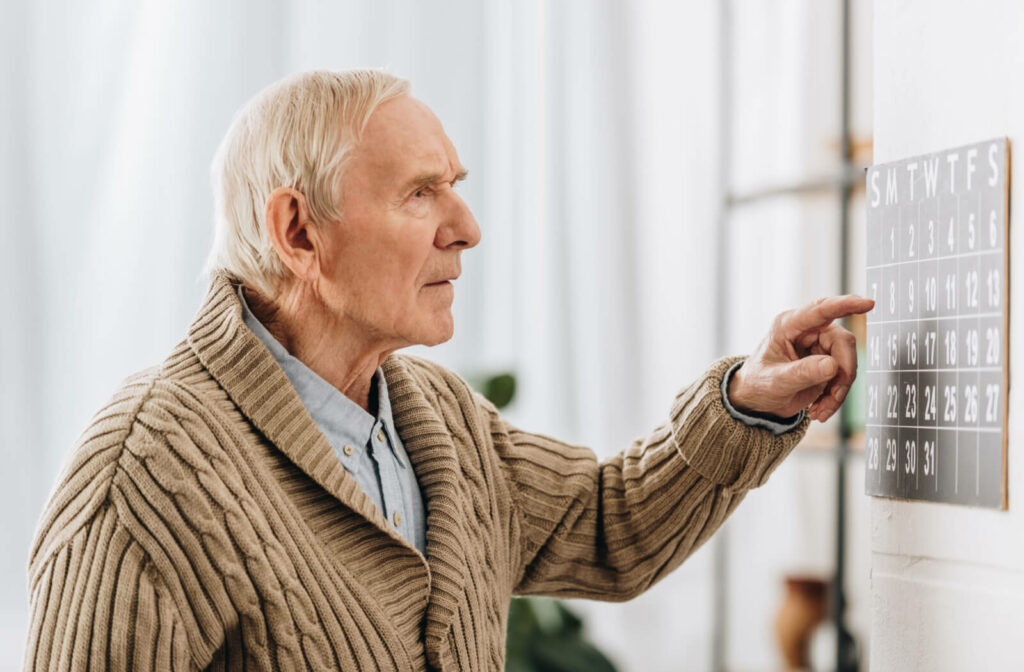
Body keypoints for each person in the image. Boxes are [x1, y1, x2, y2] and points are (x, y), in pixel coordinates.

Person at [23, 70, 872, 671]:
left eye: (454, 186)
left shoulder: (436, 414)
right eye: (420, 193)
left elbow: (609, 528)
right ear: (298, 231)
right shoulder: (144, 472)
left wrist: (746, 405)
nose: (466, 226)